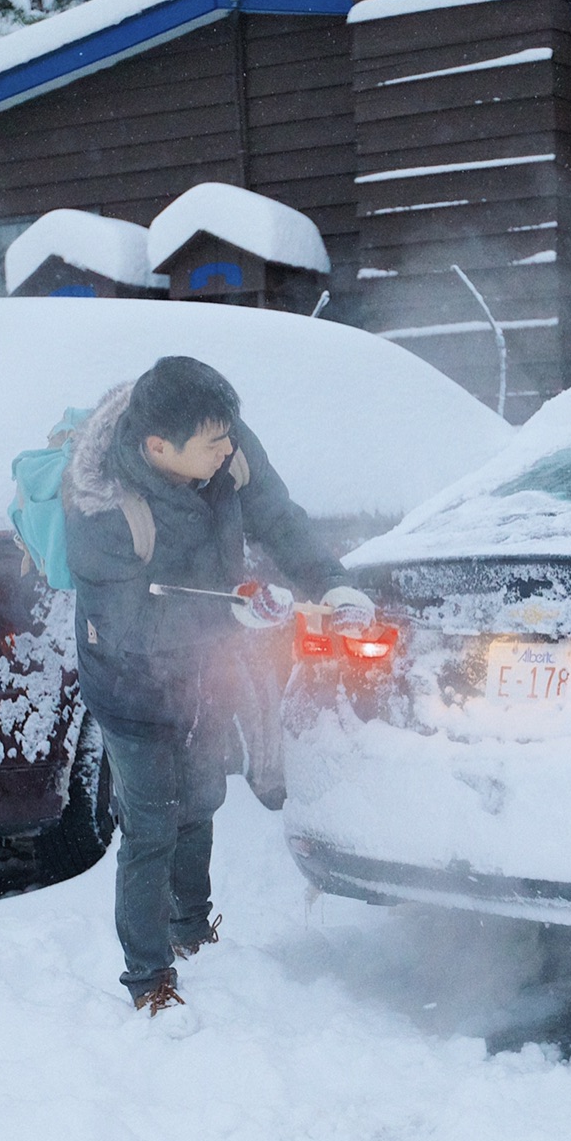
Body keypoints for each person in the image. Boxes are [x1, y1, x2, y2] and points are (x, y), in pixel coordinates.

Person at [61, 355, 372, 1013]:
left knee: (201, 793)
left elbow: (279, 517)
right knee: (150, 822)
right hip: (127, 680)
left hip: (204, 661)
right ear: (158, 448)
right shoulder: (102, 510)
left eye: (230, 434)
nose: (229, 448)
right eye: (213, 443)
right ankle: (149, 981)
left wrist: (333, 584)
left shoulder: (221, 440)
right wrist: (231, 608)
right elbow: (128, 629)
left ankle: (193, 930)